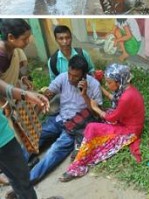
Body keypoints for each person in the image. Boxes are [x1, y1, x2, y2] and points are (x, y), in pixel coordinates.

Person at [60, 64, 145, 182]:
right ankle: (82, 149)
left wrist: (96, 108)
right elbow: (114, 99)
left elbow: (111, 118)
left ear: (118, 81)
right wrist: (100, 88)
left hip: (129, 131)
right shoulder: (128, 89)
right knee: (99, 117)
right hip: (126, 121)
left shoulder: (126, 97)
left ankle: (78, 166)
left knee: (92, 127)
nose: (107, 84)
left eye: (109, 82)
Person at [30, 55, 103, 184]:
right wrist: (41, 100)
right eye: (70, 73)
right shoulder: (63, 77)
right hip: (59, 118)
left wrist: (85, 95)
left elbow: (97, 115)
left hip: (75, 126)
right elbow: (50, 93)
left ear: (83, 75)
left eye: (75, 76)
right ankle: (12, 167)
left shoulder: (94, 85)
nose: (70, 78)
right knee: (33, 136)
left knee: (54, 151)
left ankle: (27, 181)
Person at [0, 79, 52, 199]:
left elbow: (5, 87)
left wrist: (25, 95)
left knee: (17, 178)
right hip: (3, 139)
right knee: (21, 179)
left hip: (3, 137)